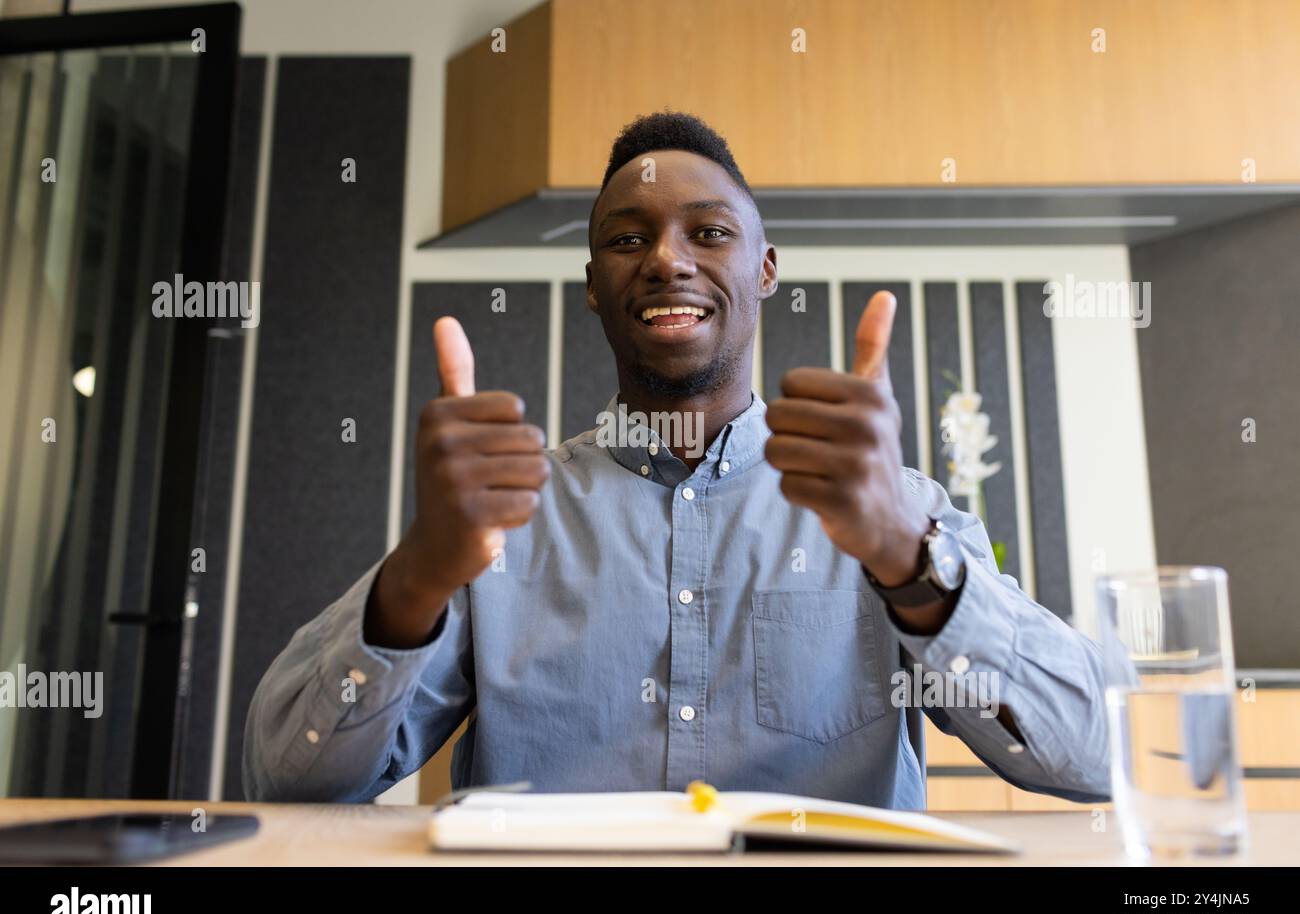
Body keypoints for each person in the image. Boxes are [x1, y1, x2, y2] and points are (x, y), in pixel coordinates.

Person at [243, 112, 1116, 806]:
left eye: (708, 233)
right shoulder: (502, 518)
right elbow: (287, 778)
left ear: (766, 268)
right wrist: (417, 576)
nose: (667, 259)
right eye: (628, 240)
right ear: (593, 286)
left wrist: (907, 559)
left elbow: (1093, 755)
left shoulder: (893, 506)